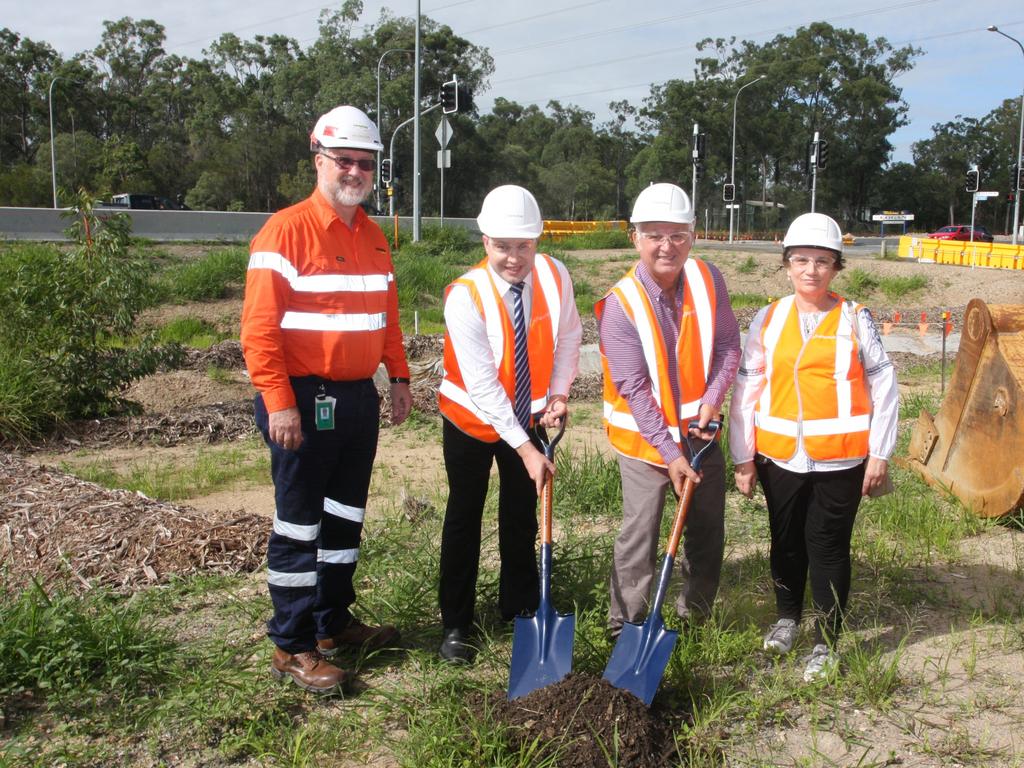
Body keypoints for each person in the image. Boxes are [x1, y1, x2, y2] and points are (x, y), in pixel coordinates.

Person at [240, 105, 411, 694]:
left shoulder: (372, 234)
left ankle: (331, 620)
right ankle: (291, 644)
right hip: (302, 398)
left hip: (357, 399)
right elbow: (258, 331)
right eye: (345, 161)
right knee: (298, 523)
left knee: (344, 517)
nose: (356, 172)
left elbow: (386, 315)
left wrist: (401, 375)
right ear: (320, 161)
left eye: (365, 163)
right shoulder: (284, 231)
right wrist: (278, 402)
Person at [729, 212, 898, 682]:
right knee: (784, 542)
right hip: (779, 456)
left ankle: (826, 642)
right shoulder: (768, 317)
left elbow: (884, 386)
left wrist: (880, 453)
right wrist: (742, 457)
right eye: (801, 260)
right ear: (786, 265)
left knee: (826, 546)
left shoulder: (855, 318)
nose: (811, 270)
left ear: (837, 268)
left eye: (822, 261)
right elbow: (747, 389)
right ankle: (787, 618)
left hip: (841, 458)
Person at [436, 184, 583, 663]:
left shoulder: (556, 276)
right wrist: (526, 450)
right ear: (485, 242)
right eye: (503, 247)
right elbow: (483, 387)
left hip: (531, 415)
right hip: (472, 421)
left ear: (538, 240)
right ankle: (456, 623)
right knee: (465, 515)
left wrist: (558, 394)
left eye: (524, 245)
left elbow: (568, 337)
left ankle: (519, 605)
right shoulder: (466, 296)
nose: (514, 258)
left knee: (521, 515)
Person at [595, 183, 740, 639]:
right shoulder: (620, 305)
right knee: (640, 535)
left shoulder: (708, 279)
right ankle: (626, 626)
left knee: (705, 529)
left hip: (699, 436)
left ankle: (693, 616)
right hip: (645, 443)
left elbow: (728, 347)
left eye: (677, 234)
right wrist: (670, 454)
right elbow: (635, 388)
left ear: (693, 236)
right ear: (634, 237)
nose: (666, 246)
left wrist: (712, 400)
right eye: (655, 234)